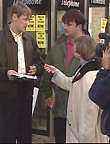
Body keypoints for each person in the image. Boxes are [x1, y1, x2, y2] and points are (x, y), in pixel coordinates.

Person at [0, 2, 43, 143]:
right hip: (6, 94)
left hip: (26, 93)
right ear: (14, 17)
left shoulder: (30, 40)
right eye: (25, 19)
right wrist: (5, 73)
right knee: (6, 134)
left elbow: (39, 61)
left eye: (29, 20)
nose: (28, 23)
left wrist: (36, 68)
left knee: (25, 134)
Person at [44, 35, 108, 143]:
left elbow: (90, 110)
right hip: (80, 133)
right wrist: (56, 73)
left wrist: (85, 138)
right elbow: (71, 84)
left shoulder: (90, 75)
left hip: (87, 136)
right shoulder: (84, 69)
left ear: (80, 52)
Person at [38, 9, 85, 143]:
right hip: (60, 107)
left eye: (69, 24)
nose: (65, 27)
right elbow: (47, 70)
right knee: (61, 138)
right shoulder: (57, 47)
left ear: (79, 26)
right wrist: (47, 94)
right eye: (64, 24)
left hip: (81, 107)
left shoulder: (91, 47)